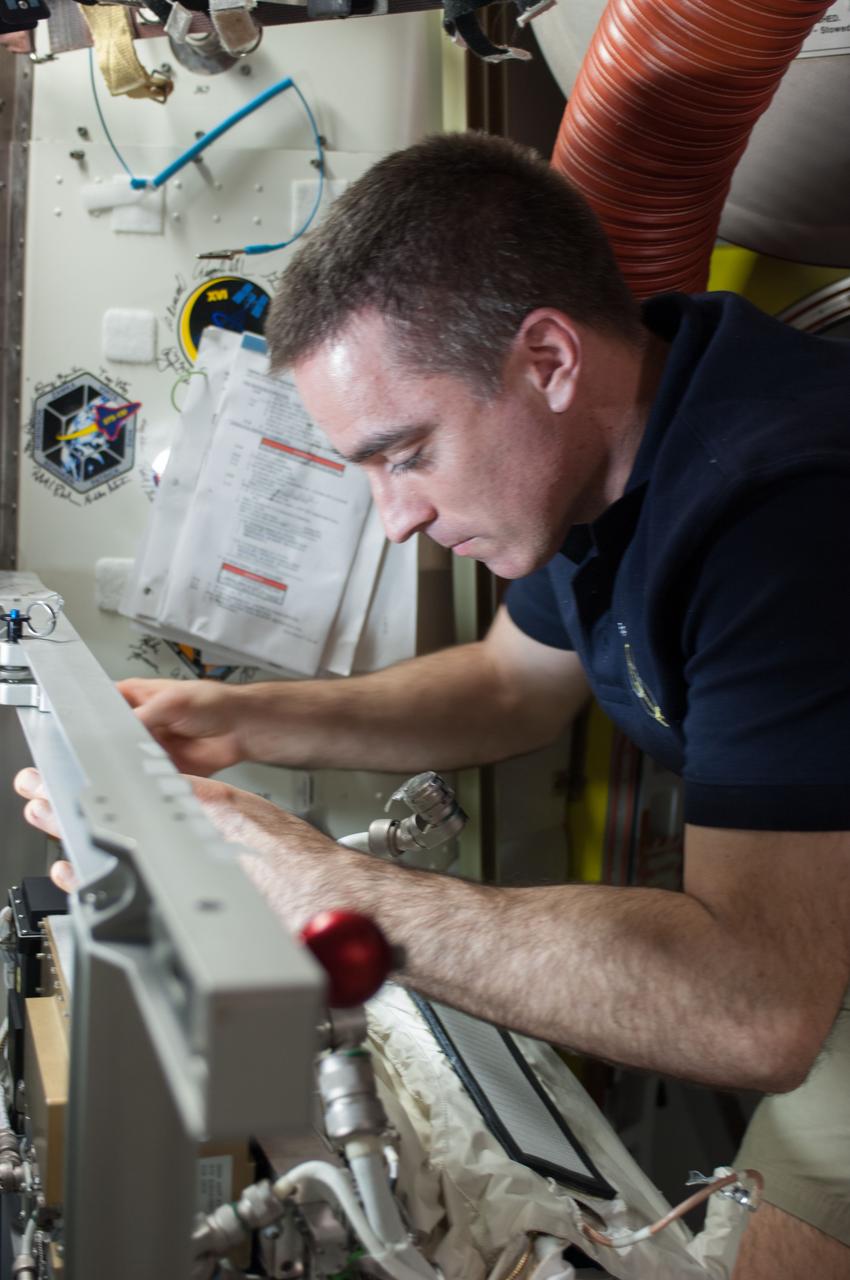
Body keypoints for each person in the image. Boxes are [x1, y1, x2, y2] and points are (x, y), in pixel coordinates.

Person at [16, 133, 850, 1279]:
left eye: (405, 454)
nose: (394, 516)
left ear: (546, 357)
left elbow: (754, 1007)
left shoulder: (780, 510)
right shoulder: (610, 442)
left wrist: (323, 885)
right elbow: (512, 684)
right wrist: (247, 716)